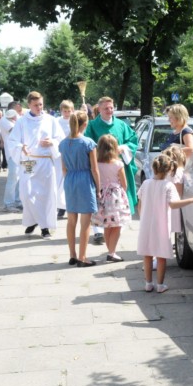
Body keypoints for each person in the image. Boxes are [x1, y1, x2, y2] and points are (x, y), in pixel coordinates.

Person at [137, 154, 193, 293]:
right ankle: (160, 285)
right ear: (168, 170)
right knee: (161, 255)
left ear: (154, 168)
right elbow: (174, 204)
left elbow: (140, 204)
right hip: (161, 225)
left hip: (146, 224)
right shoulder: (168, 185)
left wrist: (143, 218)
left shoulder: (146, 183)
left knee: (147, 254)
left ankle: (148, 283)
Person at [6, 91, 65, 239]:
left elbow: (61, 140)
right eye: (35, 105)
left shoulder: (51, 120)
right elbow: (12, 141)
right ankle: (34, 221)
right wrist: (21, 147)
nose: (39, 108)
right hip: (29, 161)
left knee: (46, 194)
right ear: (29, 105)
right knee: (26, 193)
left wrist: (52, 142)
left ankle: (45, 227)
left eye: (41, 104)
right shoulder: (22, 121)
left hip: (45, 161)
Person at [85, 96, 138, 245]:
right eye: (106, 108)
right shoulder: (92, 125)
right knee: (99, 199)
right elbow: (88, 144)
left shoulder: (121, 125)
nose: (109, 111)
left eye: (111, 108)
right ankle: (98, 231)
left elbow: (133, 140)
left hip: (118, 167)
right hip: (100, 168)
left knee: (117, 199)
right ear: (99, 109)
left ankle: (116, 224)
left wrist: (124, 148)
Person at [59, 111, 100, 267]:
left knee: (71, 221)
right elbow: (94, 169)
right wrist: (98, 188)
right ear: (85, 124)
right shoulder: (88, 143)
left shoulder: (63, 143)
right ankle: (83, 257)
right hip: (85, 180)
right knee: (85, 222)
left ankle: (72, 255)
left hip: (70, 179)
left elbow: (63, 168)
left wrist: (69, 180)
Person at [91, 134, 131, 262]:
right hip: (116, 196)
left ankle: (110, 251)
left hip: (102, 195)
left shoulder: (97, 164)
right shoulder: (118, 164)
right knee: (117, 225)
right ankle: (112, 252)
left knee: (107, 225)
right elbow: (124, 184)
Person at [55, 100, 74, 219]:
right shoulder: (57, 121)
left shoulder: (75, 120)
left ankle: (71, 206)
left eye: (69, 111)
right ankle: (61, 207)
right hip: (59, 154)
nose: (67, 113)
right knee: (60, 181)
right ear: (61, 111)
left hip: (72, 154)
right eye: (64, 111)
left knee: (70, 180)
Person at [0, 107, 22, 212]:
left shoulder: (17, 118)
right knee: (12, 179)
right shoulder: (4, 120)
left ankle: (18, 201)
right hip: (12, 154)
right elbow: (16, 131)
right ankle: (8, 203)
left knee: (20, 179)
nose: (14, 118)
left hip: (21, 153)